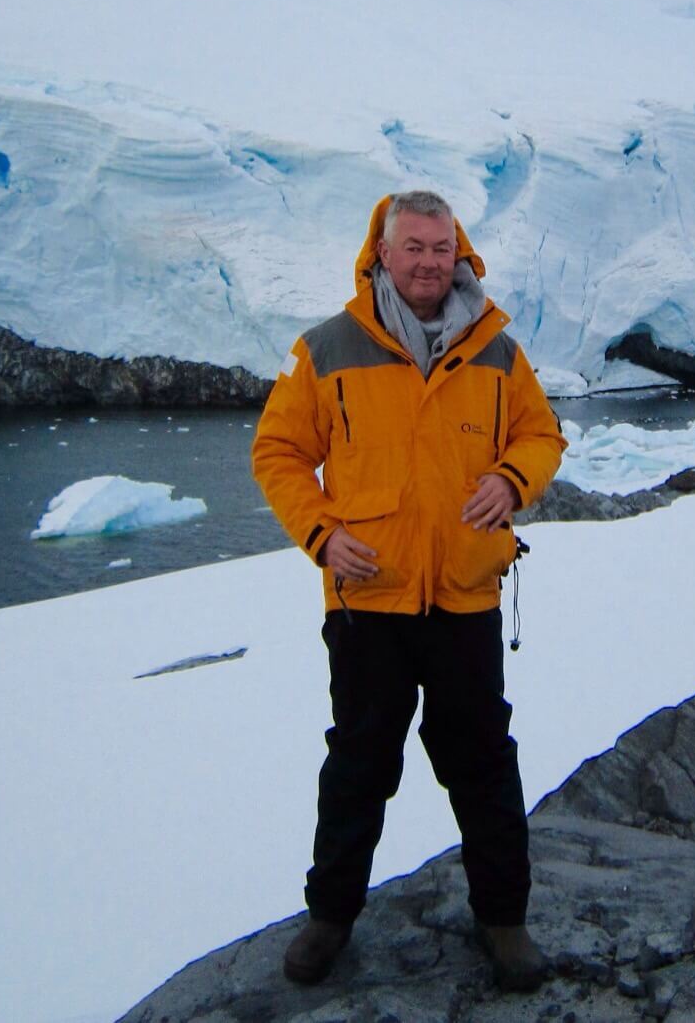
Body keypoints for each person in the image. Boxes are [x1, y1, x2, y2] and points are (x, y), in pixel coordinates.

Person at [252, 189, 567, 992]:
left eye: (440, 247)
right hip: (368, 601)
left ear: (457, 252)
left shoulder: (495, 349)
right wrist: (321, 534)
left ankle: (504, 921)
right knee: (358, 760)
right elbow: (278, 452)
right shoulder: (328, 349)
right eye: (413, 248)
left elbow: (541, 432)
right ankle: (330, 918)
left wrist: (512, 476)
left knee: (483, 761)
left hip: (465, 596)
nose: (429, 261)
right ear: (382, 254)